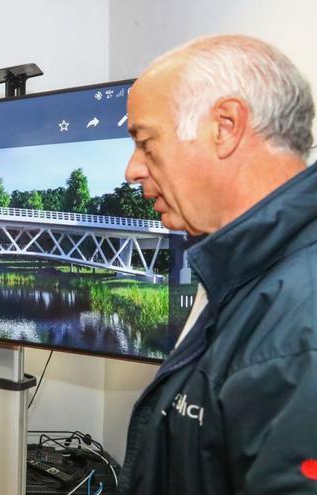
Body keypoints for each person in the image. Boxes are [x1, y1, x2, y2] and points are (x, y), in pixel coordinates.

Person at [120, 35, 316, 494]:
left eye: (146, 143)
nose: (132, 169)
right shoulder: (244, 273)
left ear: (226, 126)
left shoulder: (300, 325)